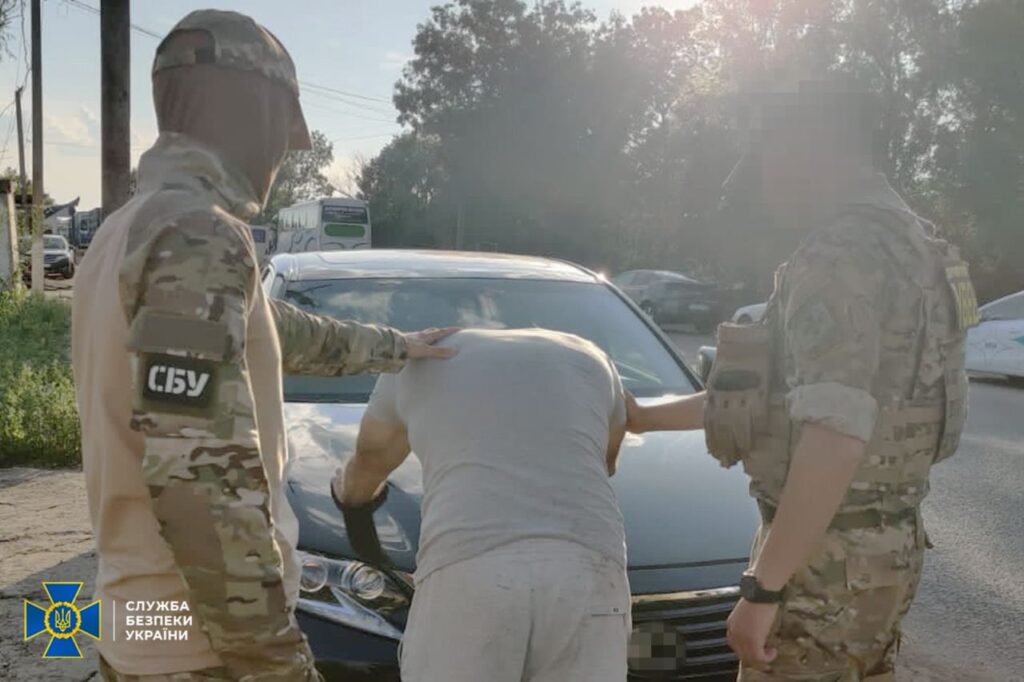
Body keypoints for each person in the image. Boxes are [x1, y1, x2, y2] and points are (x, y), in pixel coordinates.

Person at [71, 10, 454, 681]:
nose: (282, 157)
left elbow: (270, 329)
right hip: (201, 647)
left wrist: (398, 345)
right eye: (284, 133)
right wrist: (273, 659)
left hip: (139, 617)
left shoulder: (126, 231)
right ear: (258, 114)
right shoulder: (198, 232)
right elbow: (197, 476)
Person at [626, 75, 977, 681]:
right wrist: (642, 417)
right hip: (887, 550)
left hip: (822, 565)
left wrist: (762, 591)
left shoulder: (836, 256)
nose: (763, 181)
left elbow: (835, 435)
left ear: (806, 149)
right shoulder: (919, 245)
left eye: (767, 158)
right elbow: (773, 398)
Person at [333, 328, 631, 682]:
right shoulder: (593, 357)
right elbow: (605, 463)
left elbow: (370, 462)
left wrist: (349, 495)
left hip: (470, 567)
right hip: (590, 567)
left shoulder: (415, 359)